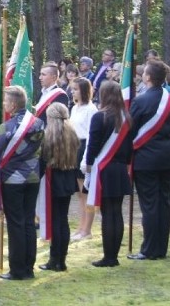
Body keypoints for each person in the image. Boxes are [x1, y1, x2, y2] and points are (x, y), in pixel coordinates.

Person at [127, 59, 170, 261]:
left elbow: (130, 130)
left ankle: (149, 249)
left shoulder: (140, 100)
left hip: (147, 159)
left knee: (150, 204)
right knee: (164, 202)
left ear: (147, 77)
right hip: (168, 156)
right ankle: (161, 248)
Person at [0, 85, 44, 280]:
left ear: (14, 104)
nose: (5, 104)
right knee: (28, 222)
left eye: (6, 101)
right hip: (32, 178)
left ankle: (17, 269)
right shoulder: (39, 123)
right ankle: (29, 268)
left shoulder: (5, 127)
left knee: (15, 223)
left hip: (12, 180)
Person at [86, 80, 133, 267]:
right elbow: (130, 148)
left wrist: (88, 167)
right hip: (120, 168)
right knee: (117, 212)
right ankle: (114, 255)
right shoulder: (126, 118)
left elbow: (93, 146)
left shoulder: (100, 117)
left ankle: (109, 257)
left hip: (104, 169)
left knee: (107, 213)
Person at [37, 103, 79, 272]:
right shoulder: (72, 133)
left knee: (55, 220)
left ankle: (54, 259)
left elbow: (42, 161)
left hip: (53, 180)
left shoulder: (48, 136)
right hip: (68, 178)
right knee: (63, 219)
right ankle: (61, 259)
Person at [68, 77, 98, 241]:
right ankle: (81, 226)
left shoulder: (91, 109)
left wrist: (86, 159)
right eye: (72, 89)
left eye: (76, 89)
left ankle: (87, 229)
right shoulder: (75, 108)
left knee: (86, 191)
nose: (73, 92)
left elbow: (90, 135)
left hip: (84, 148)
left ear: (85, 91)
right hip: (74, 147)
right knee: (79, 193)